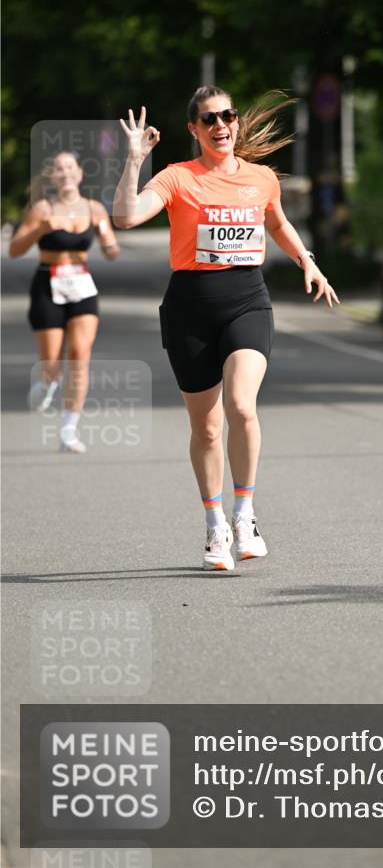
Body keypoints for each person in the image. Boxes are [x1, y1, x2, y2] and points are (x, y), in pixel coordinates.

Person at [112, 88, 339, 572]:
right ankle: (214, 524)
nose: (222, 125)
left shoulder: (260, 179)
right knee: (208, 427)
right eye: (210, 118)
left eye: (228, 116)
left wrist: (308, 262)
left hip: (247, 301)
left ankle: (245, 514)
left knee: (240, 404)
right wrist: (135, 161)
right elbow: (126, 217)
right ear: (194, 128)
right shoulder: (177, 178)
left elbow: (277, 225)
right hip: (190, 308)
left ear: (236, 122)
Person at [9, 151, 120, 452]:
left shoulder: (94, 208)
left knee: (80, 354)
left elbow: (112, 251)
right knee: (52, 361)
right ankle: (47, 382)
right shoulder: (41, 209)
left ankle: (69, 431)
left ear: (80, 173)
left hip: (81, 285)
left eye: (70, 167)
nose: (65, 173)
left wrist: (109, 244)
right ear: (52, 177)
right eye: (59, 169)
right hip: (48, 283)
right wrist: (39, 230)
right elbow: (15, 250)